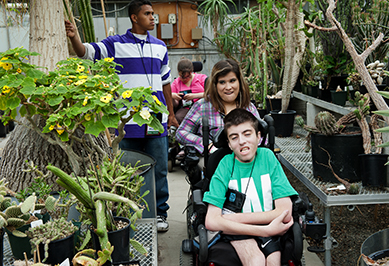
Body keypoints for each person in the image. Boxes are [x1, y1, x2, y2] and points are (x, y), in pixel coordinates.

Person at [65, 0, 179, 232]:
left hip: (156, 120)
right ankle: (129, 213)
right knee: (126, 170)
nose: (153, 17)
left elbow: (166, 82)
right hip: (126, 123)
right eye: (147, 14)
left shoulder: (160, 47)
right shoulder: (115, 44)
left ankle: (160, 214)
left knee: (159, 170)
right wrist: (74, 37)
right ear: (134, 18)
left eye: (153, 13)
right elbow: (86, 53)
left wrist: (172, 114)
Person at [203, 108, 298, 266]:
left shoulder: (267, 157)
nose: (241, 141)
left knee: (274, 262)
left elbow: (285, 213)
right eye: (234, 137)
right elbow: (212, 222)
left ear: (258, 136)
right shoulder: (225, 164)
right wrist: (265, 230)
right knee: (256, 261)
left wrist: (231, 219)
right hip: (238, 232)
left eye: (247, 134)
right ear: (229, 143)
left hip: (242, 224)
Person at [175, 59, 259, 157]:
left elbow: (261, 136)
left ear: (239, 82)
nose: (228, 87)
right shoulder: (203, 106)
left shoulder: (248, 107)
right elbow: (181, 133)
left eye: (232, 81)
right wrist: (206, 144)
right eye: (222, 82)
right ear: (215, 85)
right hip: (213, 159)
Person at [171, 57, 207, 124]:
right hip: (186, 109)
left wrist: (194, 96)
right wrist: (174, 96)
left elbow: (212, 93)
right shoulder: (176, 82)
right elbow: (172, 100)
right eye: (182, 77)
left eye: (187, 77)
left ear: (191, 72)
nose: (185, 79)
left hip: (202, 106)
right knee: (179, 116)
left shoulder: (201, 78)